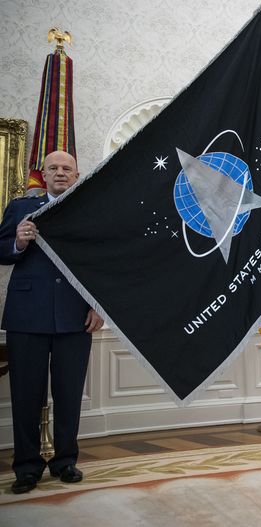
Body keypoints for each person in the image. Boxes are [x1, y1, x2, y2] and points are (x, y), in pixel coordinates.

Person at [0, 151, 104, 494]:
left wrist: (96, 305)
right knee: (26, 395)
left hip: (75, 316)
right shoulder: (18, 208)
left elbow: (100, 262)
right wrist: (18, 241)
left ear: (76, 176)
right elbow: (1, 252)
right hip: (27, 315)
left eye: (66, 169)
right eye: (53, 168)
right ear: (42, 175)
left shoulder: (89, 209)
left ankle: (65, 462)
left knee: (69, 394)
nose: (60, 173)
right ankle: (27, 468)